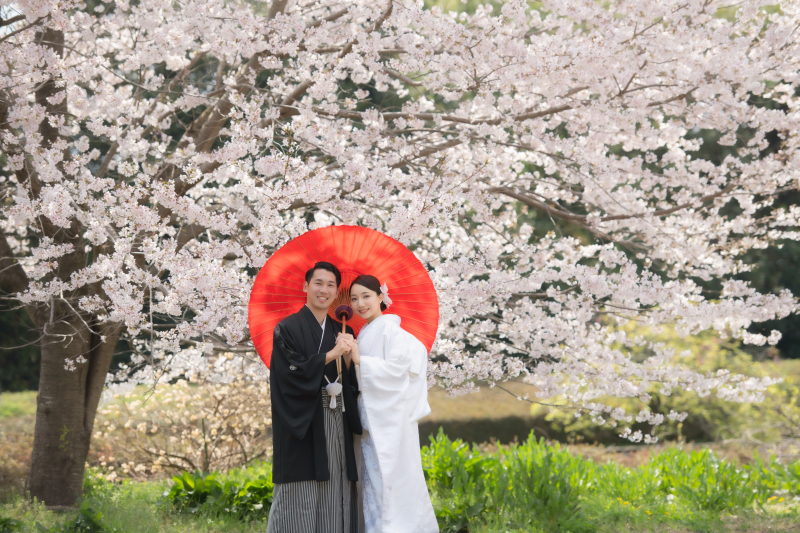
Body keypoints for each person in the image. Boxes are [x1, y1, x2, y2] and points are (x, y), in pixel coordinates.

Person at [267, 262, 363, 533]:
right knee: (302, 489)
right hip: (304, 418)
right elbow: (288, 373)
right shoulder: (286, 329)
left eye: (331, 285)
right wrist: (331, 354)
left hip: (337, 418)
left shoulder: (343, 331)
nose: (324, 290)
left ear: (336, 293)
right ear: (306, 286)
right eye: (318, 283)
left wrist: (346, 360)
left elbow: (352, 383)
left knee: (337, 484)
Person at [340, 274, 439, 533]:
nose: (360, 304)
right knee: (373, 482)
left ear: (381, 297)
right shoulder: (366, 332)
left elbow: (399, 370)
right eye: (354, 298)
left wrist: (362, 360)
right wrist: (349, 357)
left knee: (389, 482)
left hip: (389, 420)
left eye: (366, 296)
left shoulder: (390, 329)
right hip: (372, 417)